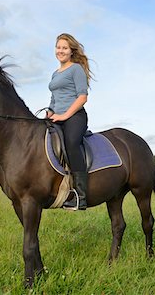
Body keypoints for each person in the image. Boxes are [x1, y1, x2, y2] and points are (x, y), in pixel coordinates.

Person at [47, 33, 93, 210]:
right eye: (58, 47)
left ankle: (81, 196)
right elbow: (54, 97)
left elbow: (83, 97)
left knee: (71, 143)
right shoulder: (54, 73)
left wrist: (65, 115)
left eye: (64, 48)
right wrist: (50, 111)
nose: (60, 51)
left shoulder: (76, 69)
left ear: (71, 50)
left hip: (75, 117)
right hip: (57, 116)